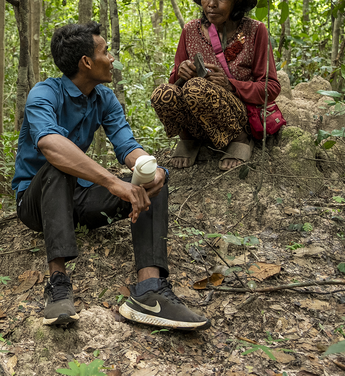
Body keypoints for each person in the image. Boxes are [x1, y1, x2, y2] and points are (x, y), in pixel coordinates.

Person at [12, 21, 210, 330]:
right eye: (106, 52)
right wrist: (114, 184)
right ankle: (59, 284)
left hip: (78, 200)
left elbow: (127, 145)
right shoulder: (44, 94)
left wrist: (148, 167)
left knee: (154, 179)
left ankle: (150, 291)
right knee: (56, 166)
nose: (112, 58)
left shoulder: (103, 98)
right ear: (86, 62)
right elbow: (51, 145)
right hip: (35, 204)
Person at [150, 0, 280, 171]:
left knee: (197, 89)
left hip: (238, 116)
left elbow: (271, 87)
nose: (212, 3)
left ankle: (240, 139)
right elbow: (174, 82)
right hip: (197, 115)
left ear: (237, 1)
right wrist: (179, 73)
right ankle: (189, 138)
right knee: (162, 93)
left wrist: (231, 85)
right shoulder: (190, 30)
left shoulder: (256, 30)